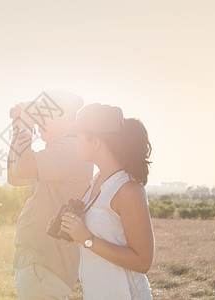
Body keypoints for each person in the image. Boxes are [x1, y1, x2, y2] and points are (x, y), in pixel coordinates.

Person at [60, 103, 154, 299]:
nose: (75, 143)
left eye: (78, 137)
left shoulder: (128, 189)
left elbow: (143, 261)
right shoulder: (97, 181)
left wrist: (86, 238)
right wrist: (72, 229)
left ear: (96, 141)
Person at [8, 91, 94, 300]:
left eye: (46, 114)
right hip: (43, 264)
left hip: (46, 264)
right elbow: (14, 176)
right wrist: (19, 129)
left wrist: (26, 127)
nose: (40, 120)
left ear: (66, 118)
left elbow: (20, 170)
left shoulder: (68, 149)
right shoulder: (60, 150)